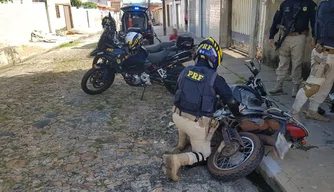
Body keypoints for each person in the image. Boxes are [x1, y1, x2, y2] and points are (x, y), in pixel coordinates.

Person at [164, 38, 241, 181]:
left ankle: (181, 143)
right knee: (203, 155)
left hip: (176, 116)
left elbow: (178, 92)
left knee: (185, 110)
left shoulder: (185, 71)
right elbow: (229, 100)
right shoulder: (214, 78)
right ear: (214, 57)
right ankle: (177, 160)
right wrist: (238, 113)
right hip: (195, 125)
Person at [289, 0, 334, 122]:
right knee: (312, 86)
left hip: (330, 54)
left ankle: (312, 111)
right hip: (324, 54)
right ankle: (293, 112)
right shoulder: (328, 5)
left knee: (325, 87)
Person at [268, 0, 317, 98]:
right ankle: (279, 85)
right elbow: (276, 19)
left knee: (297, 63)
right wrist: (271, 36)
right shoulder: (285, 3)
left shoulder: (309, 3)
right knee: (282, 62)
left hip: (299, 37)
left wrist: (315, 37)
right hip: (284, 37)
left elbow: (314, 21)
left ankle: (295, 86)